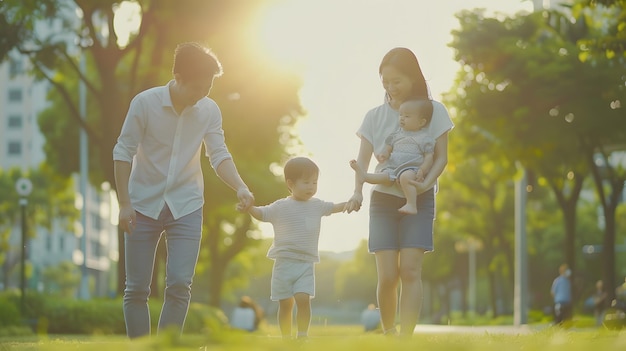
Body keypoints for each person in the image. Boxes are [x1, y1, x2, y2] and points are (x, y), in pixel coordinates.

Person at [113, 42, 254, 339]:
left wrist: (240, 186)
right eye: (198, 87)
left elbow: (218, 155)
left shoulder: (208, 110)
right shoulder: (144, 103)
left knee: (179, 283)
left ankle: (165, 346)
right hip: (142, 203)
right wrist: (124, 203)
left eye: (209, 87)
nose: (203, 94)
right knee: (137, 288)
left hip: (186, 204)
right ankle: (140, 347)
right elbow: (123, 151)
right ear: (178, 76)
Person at [345, 47, 454, 337]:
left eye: (397, 81)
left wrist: (423, 185)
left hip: (418, 199)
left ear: (413, 78)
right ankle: (389, 332)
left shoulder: (434, 111)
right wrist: (357, 192)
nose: (391, 88)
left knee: (410, 271)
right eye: (385, 83)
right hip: (381, 200)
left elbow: (442, 157)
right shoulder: (374, 117)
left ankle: (407, 337)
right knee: (388, 276)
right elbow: (364, 160)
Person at [239, 157, 348, 340]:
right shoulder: (281, 206)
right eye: (306, 182)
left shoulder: (317, 205)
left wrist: (350, 203)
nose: (311, 187)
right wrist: (249, 208)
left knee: (303, 300)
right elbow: (262, 213)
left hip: (305, 264)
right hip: (284, 264)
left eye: (314, 182)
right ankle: (286, 338)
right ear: (290, 183)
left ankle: (302, 335)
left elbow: (335, 207)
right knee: (285, 304)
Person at [350, 99, 435, 214]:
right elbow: (389, 147)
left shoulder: (424, 138)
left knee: (406, 178)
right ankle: (364, 176)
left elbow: (429, 157)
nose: (402, 118)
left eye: (407, 116)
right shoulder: (396, 134)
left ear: (421, 122)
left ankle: (411, 204)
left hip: (411, 168)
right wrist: (384, 154)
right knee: (383, 176)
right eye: (401, 115)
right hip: (393, 167)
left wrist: (422, 170)